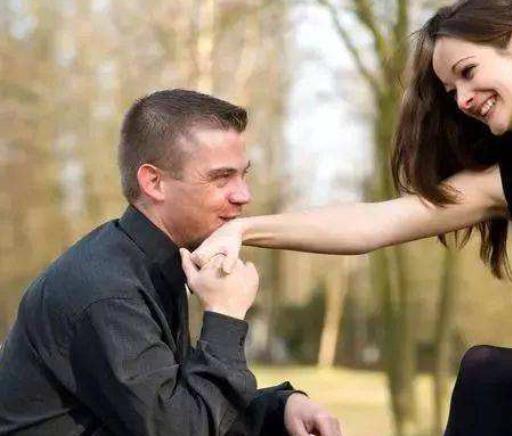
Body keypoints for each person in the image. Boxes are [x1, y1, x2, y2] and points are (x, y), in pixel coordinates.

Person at [192, 0, 512, 434]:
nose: (462, 99)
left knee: (487, 370)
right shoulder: (509, 178)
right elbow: (376, 223)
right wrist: (244, 228)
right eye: (451, 89)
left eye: (468, 72)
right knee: (498, 381)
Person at [0, 89, 342, 436]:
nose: (244, 195)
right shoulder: (108, 291)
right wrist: (225, 317)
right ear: (154, 182)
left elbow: (185, 401)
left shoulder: (150, 265)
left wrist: (280, 408)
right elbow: (186, 428)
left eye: (243, 175)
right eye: (221, 178)